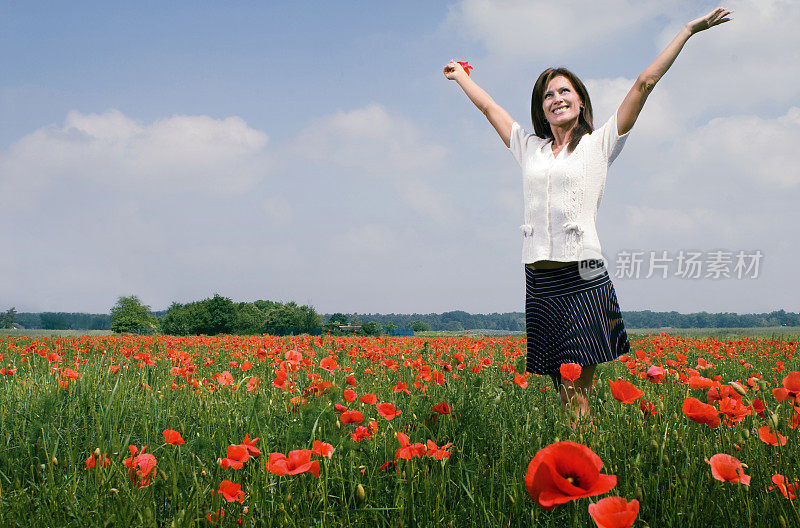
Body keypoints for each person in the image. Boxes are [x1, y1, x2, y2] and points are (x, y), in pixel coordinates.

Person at [444, 7, 732, 427]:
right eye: (548, 95)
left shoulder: (600, 145)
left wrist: (688, 30)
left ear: (580, 101)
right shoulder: (530, 149)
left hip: (580, 274)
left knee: (578, 392)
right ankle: (575, 461)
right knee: (564, 395)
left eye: (564, 92)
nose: (556, 99)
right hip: (539, 277)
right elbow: (489, 108)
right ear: (541, 111)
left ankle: (583, 468)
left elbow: (644, 83)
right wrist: (460, 76)